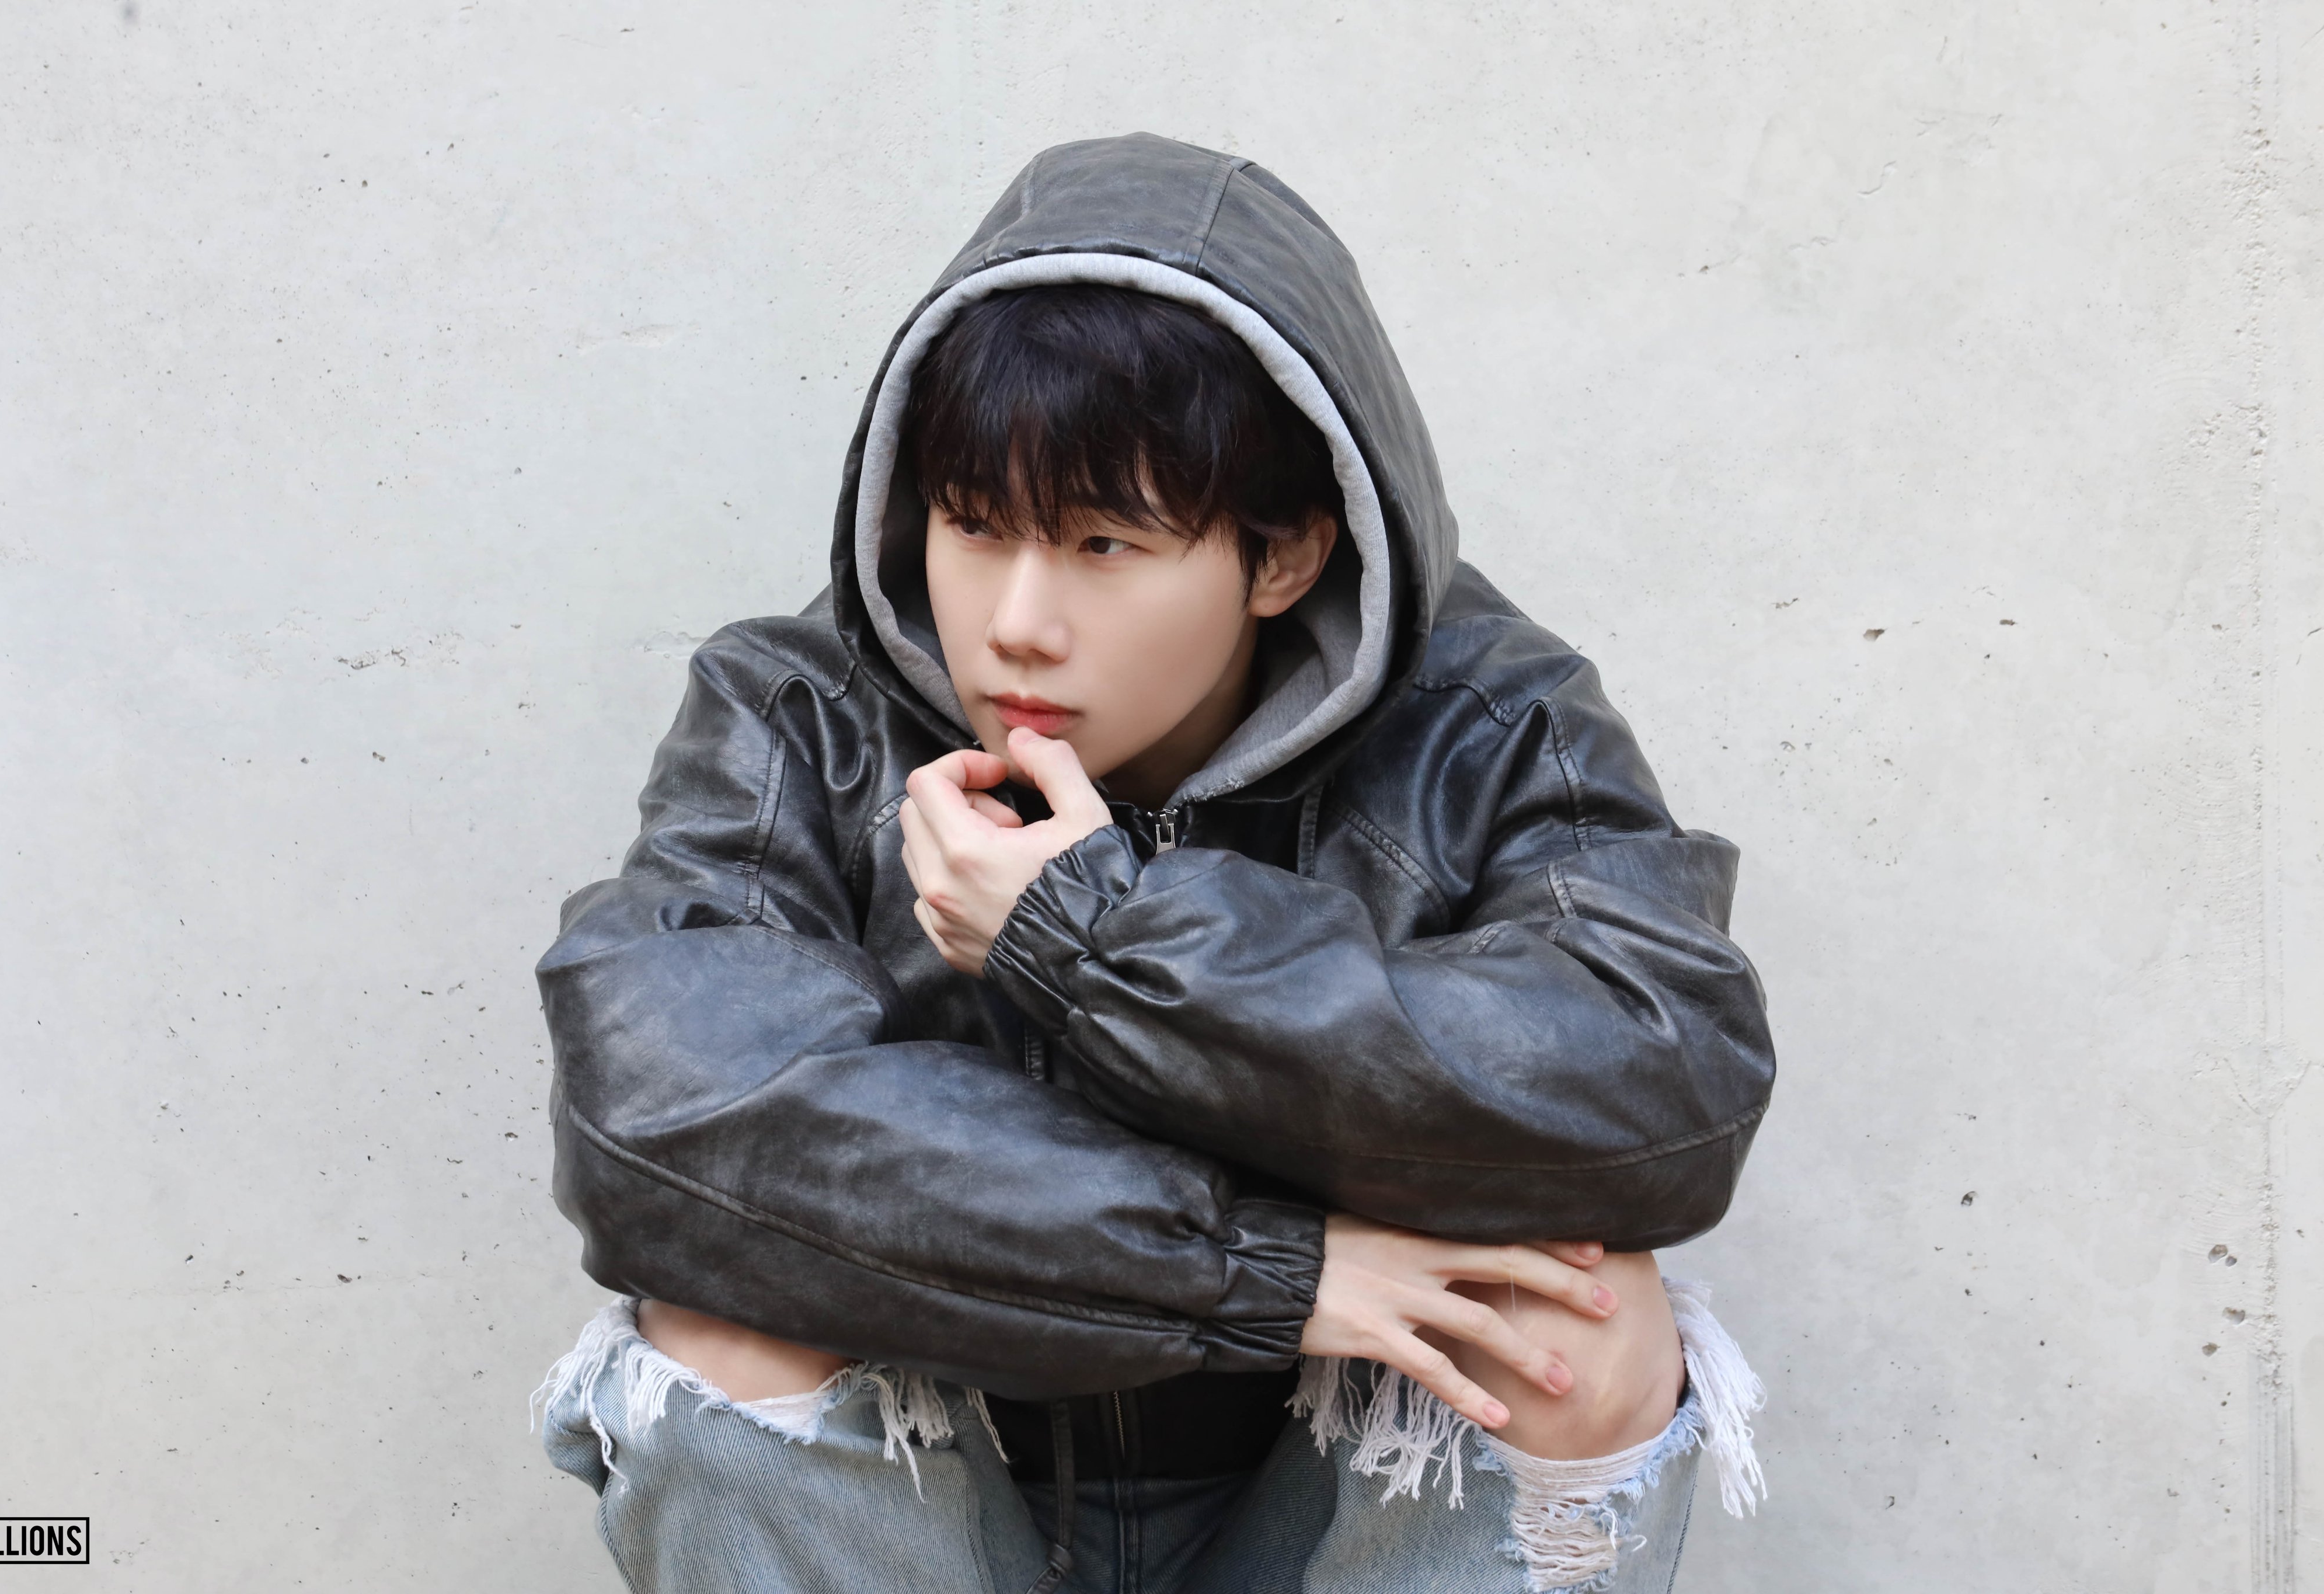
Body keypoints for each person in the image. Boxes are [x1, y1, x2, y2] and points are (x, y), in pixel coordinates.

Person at [534, 133, 1774, 1593]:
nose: (1015, 622)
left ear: (1282, 556)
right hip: (939, 1505)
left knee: (1572, 1328)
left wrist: (1091, 938)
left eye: (1104, 544)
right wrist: (1254, 1271)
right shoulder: (798, 716)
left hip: (1317, 1508)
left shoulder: (1484, 725)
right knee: (722, 1329)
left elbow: (1657, 1085)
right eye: (972, 527)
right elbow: (674, 1125)